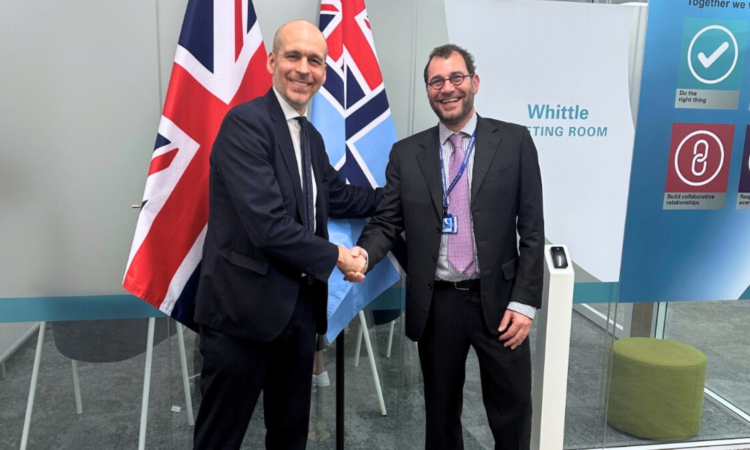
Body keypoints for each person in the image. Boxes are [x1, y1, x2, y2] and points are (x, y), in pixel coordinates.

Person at [192, 20, 381, 450]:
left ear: (324, 72)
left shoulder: (309, 136)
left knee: (290, 437)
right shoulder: (245, 124)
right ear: (271, 61)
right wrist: (339, 257)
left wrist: (404, 195)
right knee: (220, 440)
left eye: (315, 61)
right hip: (241, 318)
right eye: (293, 56)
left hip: (297, 317)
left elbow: (339, 196)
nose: (303, 69)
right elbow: (269, 226)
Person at [350, 44, 544, 450]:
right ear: (428, 91)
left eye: (456, 77)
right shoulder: (407, 154)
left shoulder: (514, 142)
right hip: (438, 306)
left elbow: (532, 229)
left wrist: (525, 302)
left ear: (474, 82)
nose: (447, 88)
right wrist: (363, 254)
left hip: (502, 304)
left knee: (512, 413)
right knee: (440, 417)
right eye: (436, 81)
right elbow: (387, 222)